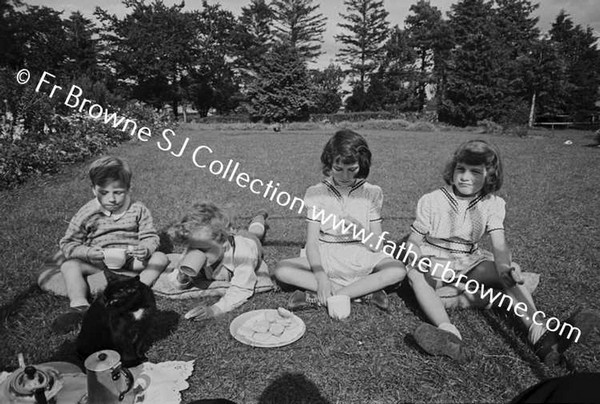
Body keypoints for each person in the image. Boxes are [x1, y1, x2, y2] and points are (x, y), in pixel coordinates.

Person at [406, 139, 594, 365]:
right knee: (416, 274)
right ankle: (449, 334)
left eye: (475, 172)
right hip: (434, 261)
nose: (465, 177)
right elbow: (414, 240)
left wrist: (505, 267)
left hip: (468, 261)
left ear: (490, 176)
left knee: (506, 271)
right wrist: (415, 255)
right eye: (460, 169)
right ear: (452, 169)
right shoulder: (432, 200)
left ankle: (539, 333)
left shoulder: (492, 203)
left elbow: (499, 244)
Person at [273, 129, 406, 315]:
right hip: (327, 254)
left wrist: (361, 231)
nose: (345, 176)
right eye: (338, 169)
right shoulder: (316, 192)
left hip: (361, 254)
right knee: (282, 269)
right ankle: (361, 292)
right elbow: (312, 243)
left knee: (398, 270)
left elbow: (377, 245)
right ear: (329, 164)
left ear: (362, 164)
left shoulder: (372, 192)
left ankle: (328, 295)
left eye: (352, 169)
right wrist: (321, 276)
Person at [52, 156, 169, 333]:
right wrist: (88, 252)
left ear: (129, 189)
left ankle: (138, 291)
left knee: (160, 257)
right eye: (104, 193)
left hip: (131, 261)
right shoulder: (87, 212)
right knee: (69, 265)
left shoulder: (138, 209)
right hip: (99, 263)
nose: (112, 199)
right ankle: (79, 305)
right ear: (93, 190)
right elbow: (68, 243)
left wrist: (145, 249)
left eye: (118, 192)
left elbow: (150, 236)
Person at [169, 202, 270, 320]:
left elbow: (242, 289)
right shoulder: (197, 244)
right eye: (192, 247)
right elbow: (175, 279)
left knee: (255, 233)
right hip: (226, 236)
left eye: (204, 249)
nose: (197, 253)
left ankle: (260, 216)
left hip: (249, 241)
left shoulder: (243, 253)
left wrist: (214, 310)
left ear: (223, 243)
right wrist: (181, 278)